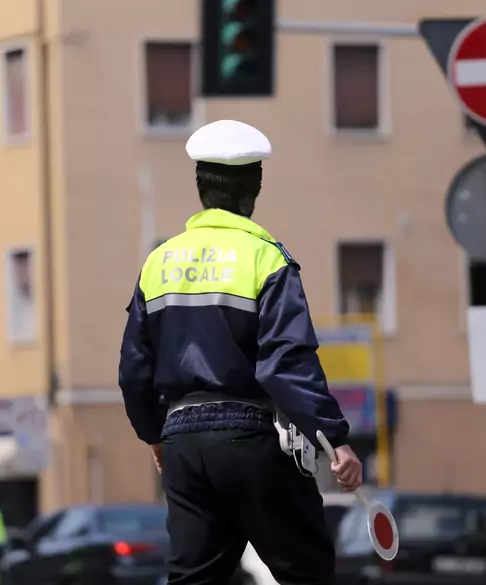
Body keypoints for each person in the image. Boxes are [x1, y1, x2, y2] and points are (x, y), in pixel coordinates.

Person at [119, 119, 363, 585]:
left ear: (199, 187)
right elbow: (285, 363)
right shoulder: (266, 257)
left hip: (183, 445)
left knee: (194, 578)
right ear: (255, 187)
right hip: (250, 437)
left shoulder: (159, 261)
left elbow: (134, 369)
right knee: (305, 569)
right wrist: (335, 436)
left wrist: (156, 435)